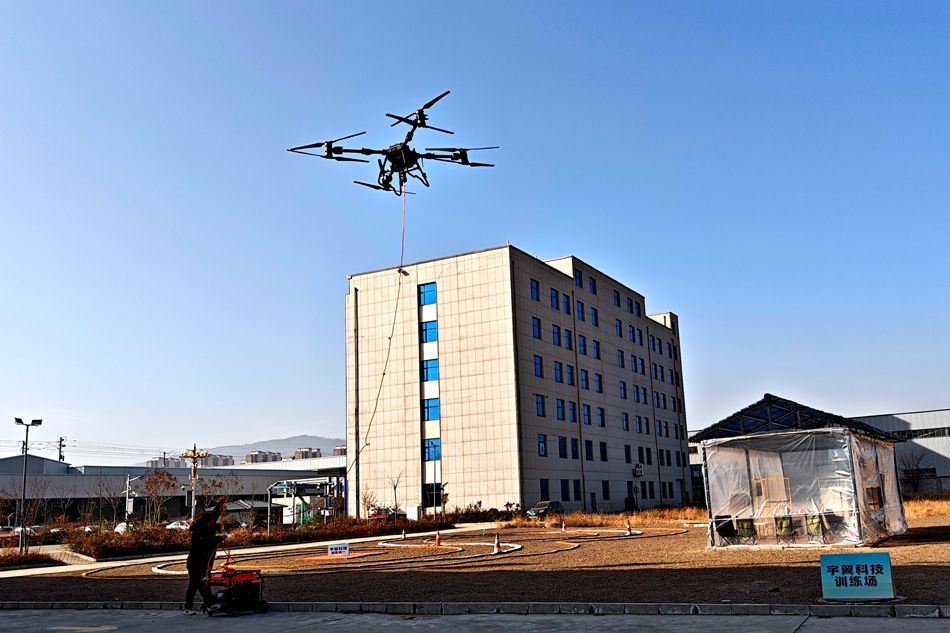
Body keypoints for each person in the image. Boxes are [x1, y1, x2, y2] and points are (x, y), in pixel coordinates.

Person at [183, 500, 224, 615]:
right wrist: (218, 539)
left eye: (213, 523)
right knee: (197, 585)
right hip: (196, 563)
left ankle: (207, 605)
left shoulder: (207, 524)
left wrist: (220, 505)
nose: (212, 524)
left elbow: (214, 515)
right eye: (210, 523)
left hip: (204, 563)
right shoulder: (199, 531)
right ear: (205, 523)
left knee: (203, 584)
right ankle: (192, 607)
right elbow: (205, 542)